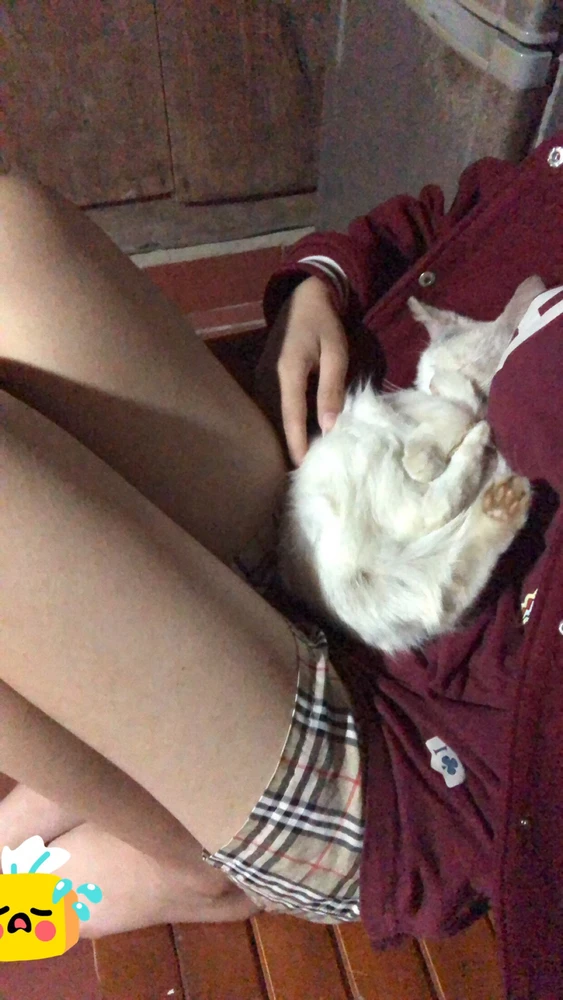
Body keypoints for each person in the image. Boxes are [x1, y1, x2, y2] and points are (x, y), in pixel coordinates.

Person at [0, 131, 561, 999]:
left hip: (415, 734)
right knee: (12, 233)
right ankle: (102, 767)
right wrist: (319, 287)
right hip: (322, 505)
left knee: (19, 896)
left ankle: (186, 864)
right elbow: (456, 218)